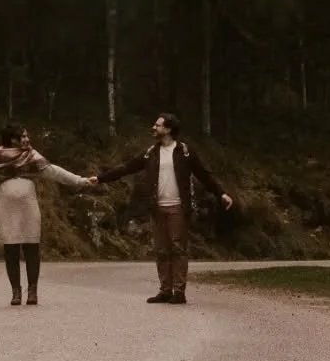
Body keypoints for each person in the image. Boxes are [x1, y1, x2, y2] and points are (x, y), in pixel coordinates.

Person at [94, 112, 232, 304]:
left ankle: (179, 291)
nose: (154, 128)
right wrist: (101, 178)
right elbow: (127, 167)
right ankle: (165, 290)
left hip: (178, 207)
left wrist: (221, 193)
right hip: (157, 207)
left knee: (177, 247)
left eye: (157, 125)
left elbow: (203, 175)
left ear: (168, 129)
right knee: (161, 249)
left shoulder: (184, 152)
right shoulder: (151, 153)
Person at [0, 124, 94, 306]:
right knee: (10, 250)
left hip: (29, 207)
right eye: (23, 137)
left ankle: (32, 291)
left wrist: (80, 181)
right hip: (6, 209)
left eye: (27, 136)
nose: (27, 140)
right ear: (12, 139)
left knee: (31, 248)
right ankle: (16, 292)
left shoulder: (33, 157)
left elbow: (54, 172)